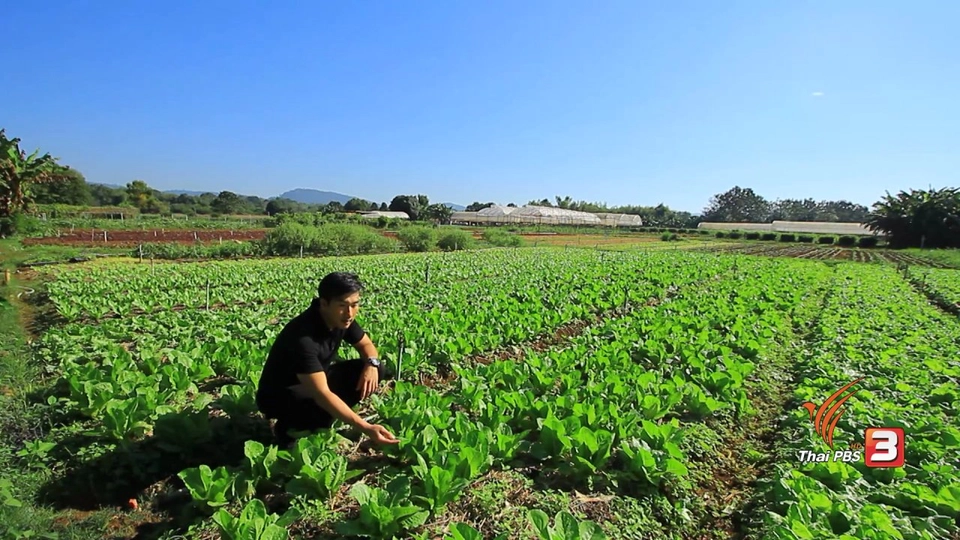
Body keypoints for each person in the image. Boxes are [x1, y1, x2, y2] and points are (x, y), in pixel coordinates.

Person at [255, 271, 399, 448]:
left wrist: (371, 365)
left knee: (375, 368)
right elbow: (322, 394)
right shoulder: (303, 338)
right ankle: (287, 430)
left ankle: (322, 420)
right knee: (321, 402)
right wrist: (366, 427)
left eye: (355, 305)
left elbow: (366, 346)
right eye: (343, 305)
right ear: (324, 303)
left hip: (314, 382)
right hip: (282, 395)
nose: (350, 313)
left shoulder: (342, 319)